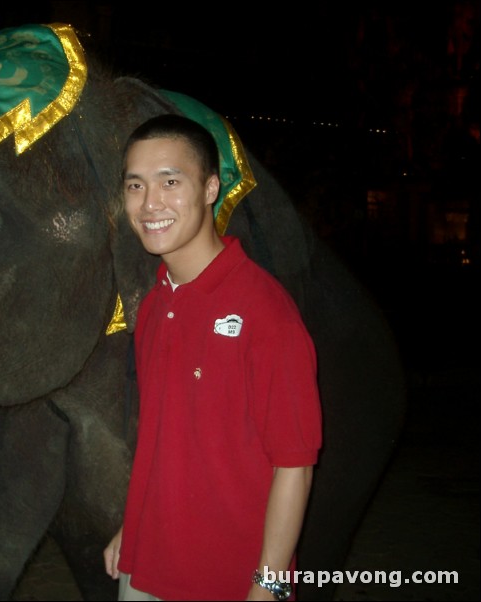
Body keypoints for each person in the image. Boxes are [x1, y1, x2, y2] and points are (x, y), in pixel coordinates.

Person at [103, 114, 322, 601]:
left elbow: (295, 466)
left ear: (209, 188)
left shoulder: (266, 312)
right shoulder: (157, 302)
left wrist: (269, 585)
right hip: (143, 569)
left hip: (229, 581)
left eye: (171, 181)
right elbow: (165, 435)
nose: (150, 203)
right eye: (135, 185)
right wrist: (132, 524)